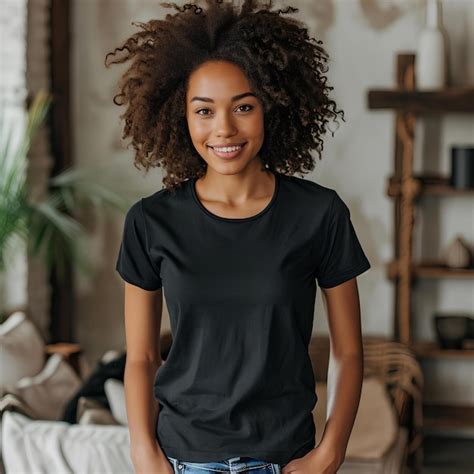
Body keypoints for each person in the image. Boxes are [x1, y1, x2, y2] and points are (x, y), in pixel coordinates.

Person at [107, 1, 371, 473]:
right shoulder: (150, 222)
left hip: (285, 458)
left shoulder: (319, 214)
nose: (223, 129)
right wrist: (143, 453)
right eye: (203, 111)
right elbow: (143, 358)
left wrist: (330, 453)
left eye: (243, 107)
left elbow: (348, 353)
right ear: (179, 115)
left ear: (271, 105)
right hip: (184, 460)